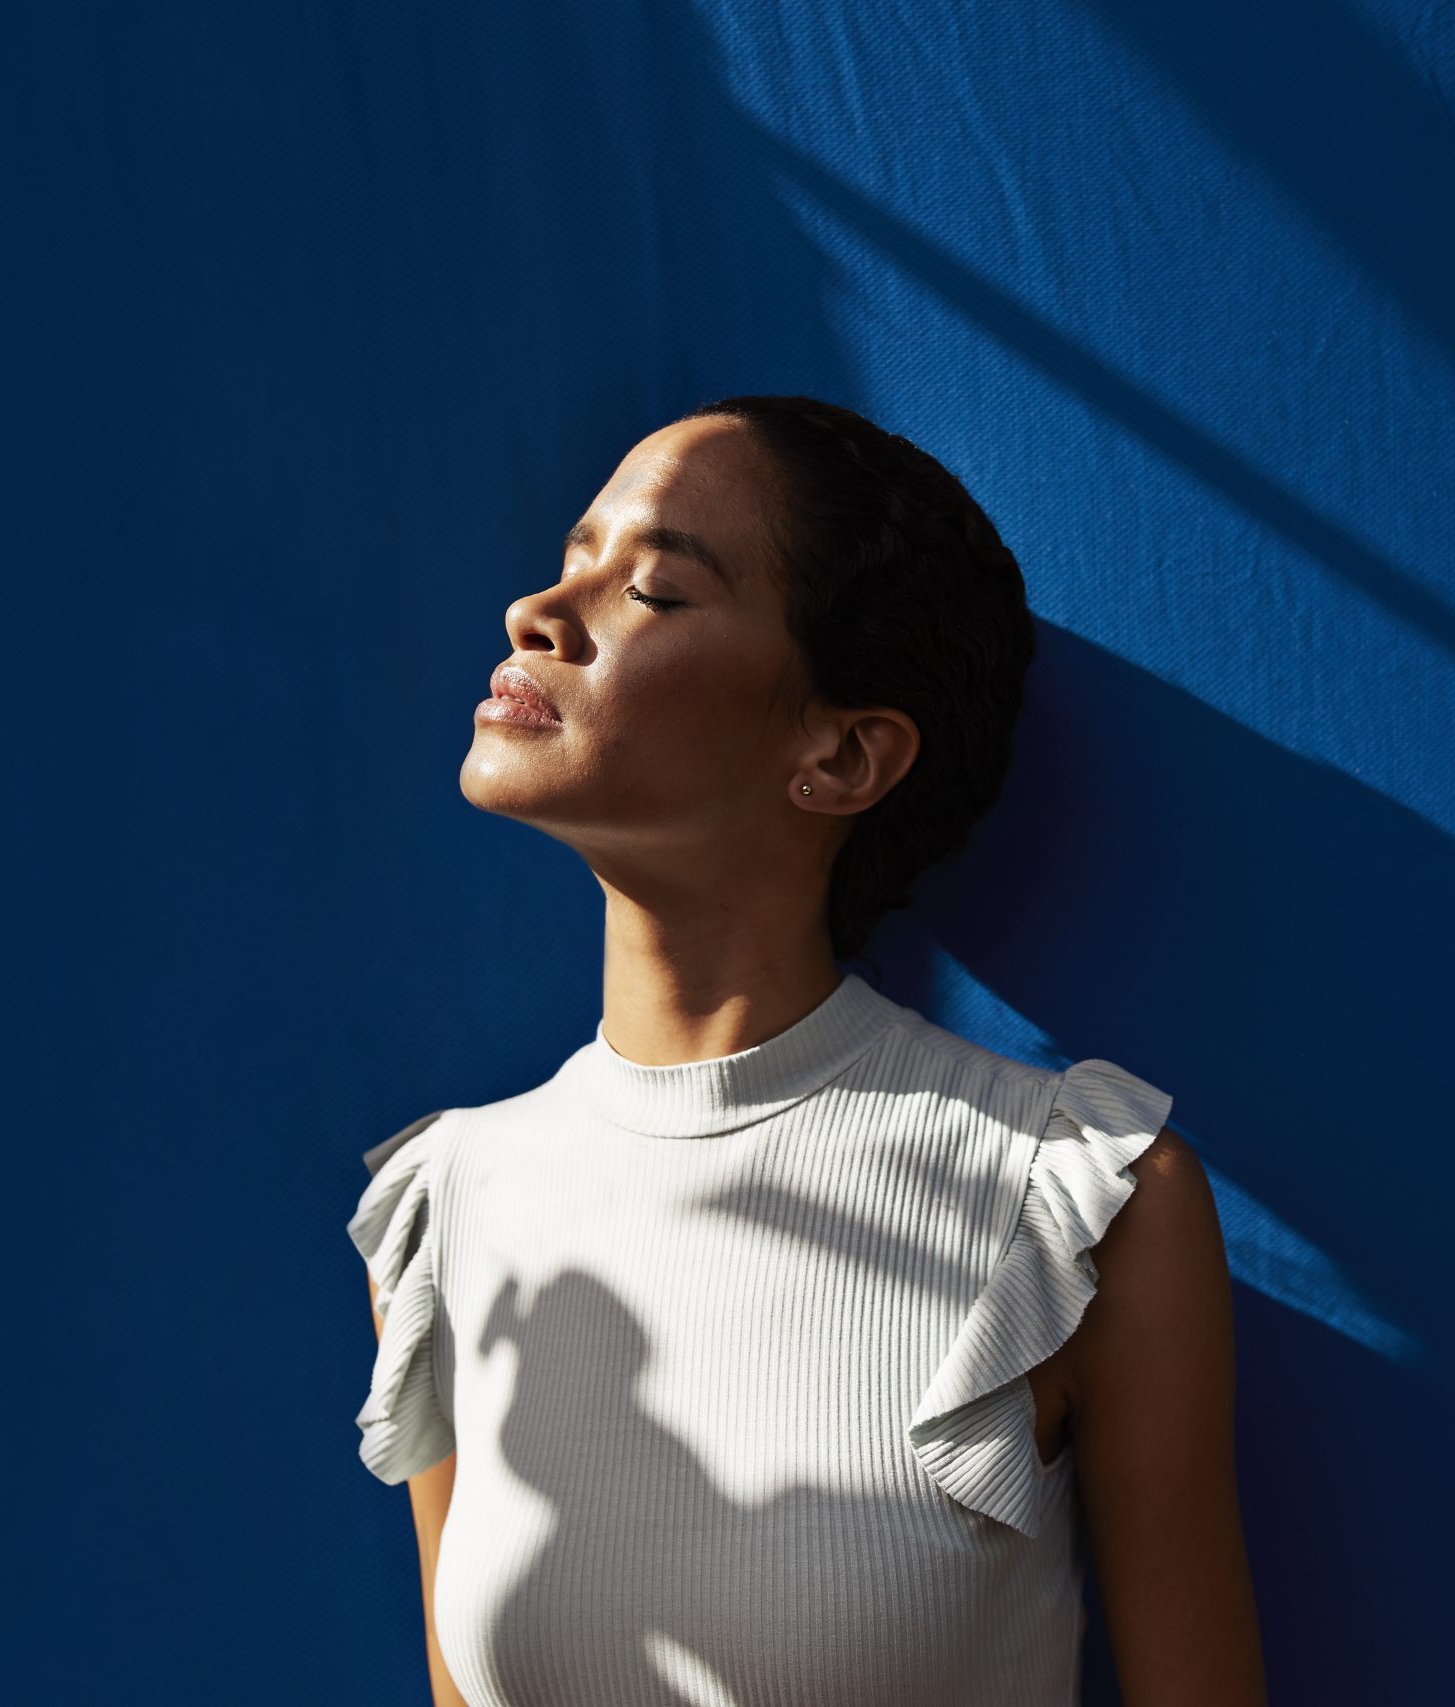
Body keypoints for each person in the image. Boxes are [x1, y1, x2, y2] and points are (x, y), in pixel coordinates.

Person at [350, 395, 1266, 1706]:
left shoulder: (1075, 1206)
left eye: (656, 589)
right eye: (575, 554)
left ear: (840, 756)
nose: (541, 613)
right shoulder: (445, 1208)